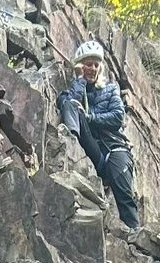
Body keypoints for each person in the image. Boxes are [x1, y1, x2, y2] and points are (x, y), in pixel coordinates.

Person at [56, 39, 139, 230]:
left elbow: (118, 117)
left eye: (96, 65)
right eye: (88, 64)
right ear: (79, 66)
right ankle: (71, 143)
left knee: (123, 189)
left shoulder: (110, 90)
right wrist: (79, 81)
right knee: (69, 103)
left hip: (114, 150)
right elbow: (71, 104)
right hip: (90, 148)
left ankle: (134, 233)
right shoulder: (73, 89)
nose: (92, 68)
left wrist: (91, 117)